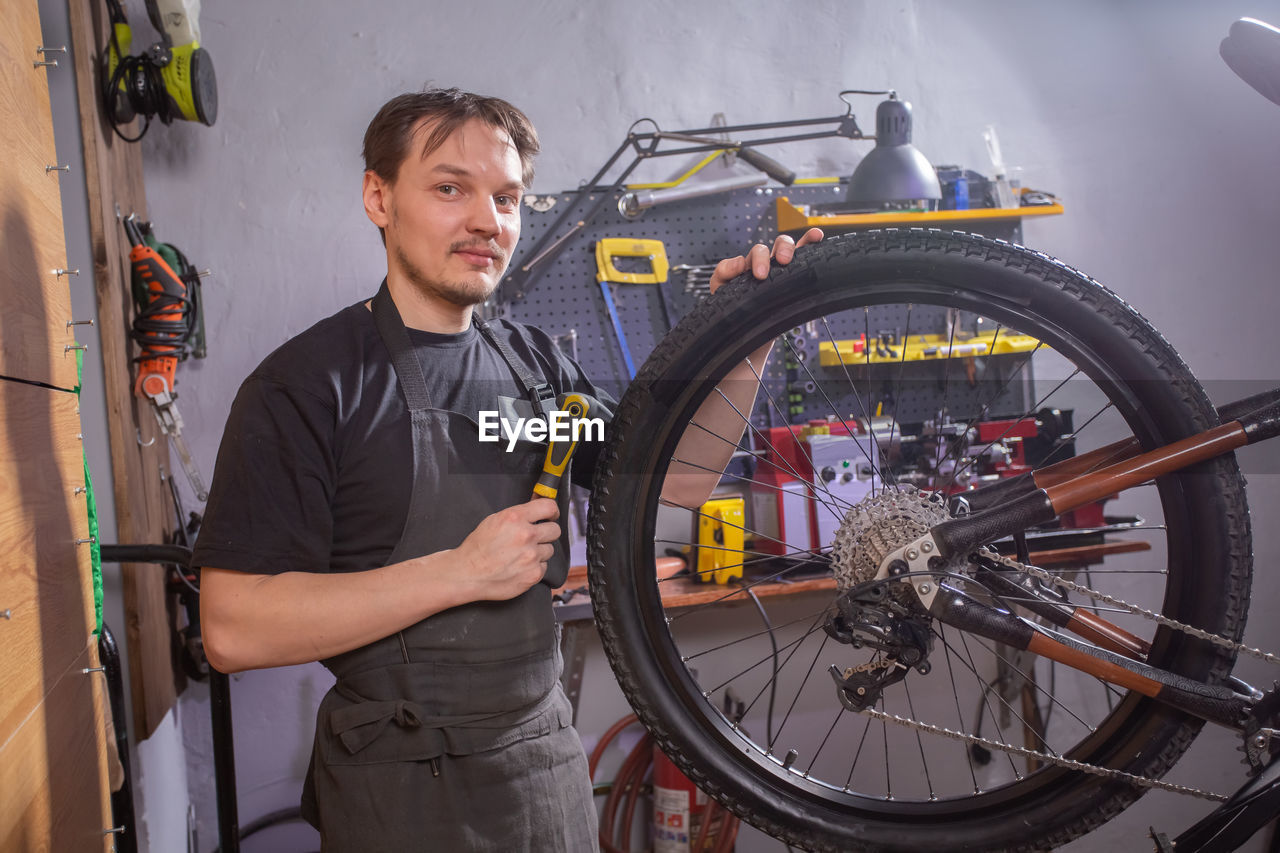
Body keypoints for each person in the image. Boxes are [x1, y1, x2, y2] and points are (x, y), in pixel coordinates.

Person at [195, 87, 821, 851]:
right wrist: (458, 571)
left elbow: (681, 478)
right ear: (378, 196)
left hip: (541, 769)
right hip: (397, 787)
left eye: (507, 198)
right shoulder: (305, 387)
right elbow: (232, 628)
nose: (488, 221)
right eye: (450, 187)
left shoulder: (535, 369)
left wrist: (741, 343)